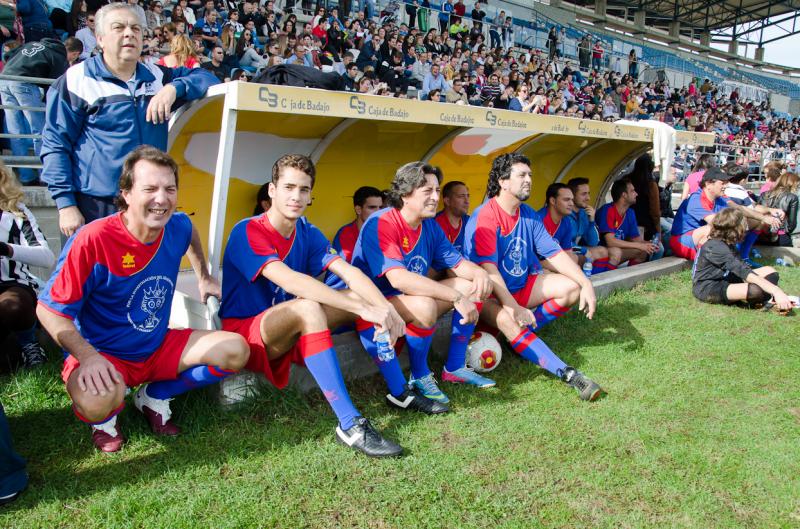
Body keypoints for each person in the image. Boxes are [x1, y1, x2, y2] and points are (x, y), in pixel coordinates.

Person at [37, 147, 250, 453]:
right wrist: (89, 357)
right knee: (95, 403)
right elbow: (48, 311)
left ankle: (155, 395)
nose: (161, 198)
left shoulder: (175, 226)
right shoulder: (92, 239)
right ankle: (105, 420)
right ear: (126, 194)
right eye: (150, 188)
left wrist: (204, 276)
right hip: (104, 352)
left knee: (235, 349)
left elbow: (191, 232)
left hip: (156, 345)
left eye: (169, 189)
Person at [220, 154, 417, 458]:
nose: (296, 197)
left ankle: (401, 391)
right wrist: (365, 310)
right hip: (248, 335)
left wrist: (384, 309)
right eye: (288, 187)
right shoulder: (247, 230)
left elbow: (350, 272)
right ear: (272, 190)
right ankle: (349, 424)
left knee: (361, 297)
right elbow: (290, 281)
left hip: (293, 325)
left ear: (311, 195)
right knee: (311, 306)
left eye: (303, 189)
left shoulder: (307, 231)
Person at [41, 3, 219, 239]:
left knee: (141, 275)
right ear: (100, 39)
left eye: (136, 28)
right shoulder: (76, 80)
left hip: (146, 205)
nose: (129, 33)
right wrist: (65, 204)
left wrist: (174, 88)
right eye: (119, 27)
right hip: (95, 205)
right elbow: (55, 144)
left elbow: (207, 77)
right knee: (93, 276)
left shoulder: (156, 76)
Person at [351, 162, 496, 403]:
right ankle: (419, 374)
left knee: (473, 285)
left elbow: (458, 263)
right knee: (427, 304)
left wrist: (480, 273)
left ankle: (454, 368)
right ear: (405, 194)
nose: (435, 197)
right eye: (427, 191)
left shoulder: (429, 225)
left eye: (437, 191)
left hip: (400, 302)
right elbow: (399, 279)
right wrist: (456, 298)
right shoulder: (382, 222)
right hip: (368, 304)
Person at [464, 154, 603, 401]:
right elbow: (490, 271)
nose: (529, 180)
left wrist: (585, 282)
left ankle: (521, 337)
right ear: (503, 182)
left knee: (571, 288)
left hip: (519, 285)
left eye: (530, 175)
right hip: (488, 295)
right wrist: (513, 306)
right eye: (522, 175)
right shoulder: (485, 215)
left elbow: (555, 254)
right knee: (509, 320)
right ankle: (568, 374)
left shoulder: (527, 213)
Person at [0, 162, 55, 368]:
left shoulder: (15, 211)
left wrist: (6, 249)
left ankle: (30, 345)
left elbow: (47, 257)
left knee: (13, 305)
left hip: (12, 286)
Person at [692, 208, 794, 312]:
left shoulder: (727, 242)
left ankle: (766, 297)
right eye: (744, 224)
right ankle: (762, 299)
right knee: (756, 290)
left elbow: (743, 268)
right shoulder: (715, 247)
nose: (746, 228)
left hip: (726, 277)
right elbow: (744, 272)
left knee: (770, 270)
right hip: (708, 286)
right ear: (735, 227)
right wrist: (776, 291)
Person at [0, 38, 70, 187]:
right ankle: (44, 175)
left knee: (15, 132)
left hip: (5, 79)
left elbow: (7, 55)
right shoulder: (58, 55)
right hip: (24, 83)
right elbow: (55, 85)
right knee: (39, 130)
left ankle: (26, 177)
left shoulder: (32, 44)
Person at [670, 167, 731, 260]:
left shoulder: (719, 199)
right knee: (713, 228)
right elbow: (717, 223)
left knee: (733, 226)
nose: (726, 186)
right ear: (708, 184)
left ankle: (735, 258)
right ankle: (703, 264)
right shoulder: (696, 199)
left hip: (698, 237)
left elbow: (733, 217)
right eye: (722, 183)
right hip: (682, 241)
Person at [596, 178, 661, 266]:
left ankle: (634, 277)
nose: (636, 194)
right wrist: (640, 246)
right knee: (621, 251)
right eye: (633, 191)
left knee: (648, 249)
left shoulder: (630, 213)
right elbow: (610, 242)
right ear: (624, 195)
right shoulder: (608, 210)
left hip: (618, 250)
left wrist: (649, 244)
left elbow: (636, 239)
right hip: (602, 251)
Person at [566, 177, 620, 274]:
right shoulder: (564, 214)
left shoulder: (584, 213)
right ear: (572, 195)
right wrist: (583, 250)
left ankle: (600, 281)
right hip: (564, 251)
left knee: (605, 251)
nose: (588, 198)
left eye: (588, 193)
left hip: (576, 250)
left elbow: (593, 242)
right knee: (600, 251)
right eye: (583, 194)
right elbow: (565, 245)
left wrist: (591, 221)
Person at [331, 185, 383, 263]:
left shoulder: (384, 232)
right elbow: (352, 267)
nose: (379, 212)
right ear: (358, 209)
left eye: (381, 207)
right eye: (372, 207)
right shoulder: (346, 233)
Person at [758, 171, 799, 247]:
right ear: (792, 184)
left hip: (761, 233)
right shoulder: (793, 197)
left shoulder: (764, 194)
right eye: (797, 185)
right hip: (781, 235)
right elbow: (792, 224)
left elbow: (758, 212)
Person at [435, 180, 469, 255]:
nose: (467, 201)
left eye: (468, 196)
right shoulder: (435, 225)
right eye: (461, 196)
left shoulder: (471, 222)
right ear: (447, 201)